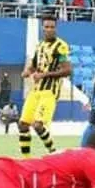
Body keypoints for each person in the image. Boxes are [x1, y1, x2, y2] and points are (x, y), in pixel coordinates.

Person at [19, 16, 71, 158]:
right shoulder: (40, 45)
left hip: (49, 92)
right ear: (42, 28)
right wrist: (27, 71)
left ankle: (54, 153)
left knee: (38, 125)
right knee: (23, 124)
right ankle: (26, 160)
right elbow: (34, 65)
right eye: (46, 27)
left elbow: (67, 70)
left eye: (52, 27)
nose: (49, 29)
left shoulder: (61, 46)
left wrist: (44, 75)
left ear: (56, 28)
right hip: (35, 91)